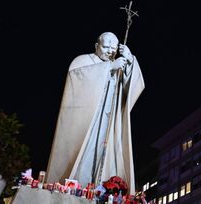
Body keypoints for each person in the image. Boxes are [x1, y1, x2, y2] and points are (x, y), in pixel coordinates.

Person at [46, 32, 145, 194]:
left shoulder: (119, 65)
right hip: (88, 123)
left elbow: (133, 87)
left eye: (113, 48)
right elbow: (75, 81)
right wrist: (107, 69)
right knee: (84, 156)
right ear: (96, 46)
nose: (110, 52)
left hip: (109, 123)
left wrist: (130, 61)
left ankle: (99, 190)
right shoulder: (83, 61)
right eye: (106, 47)